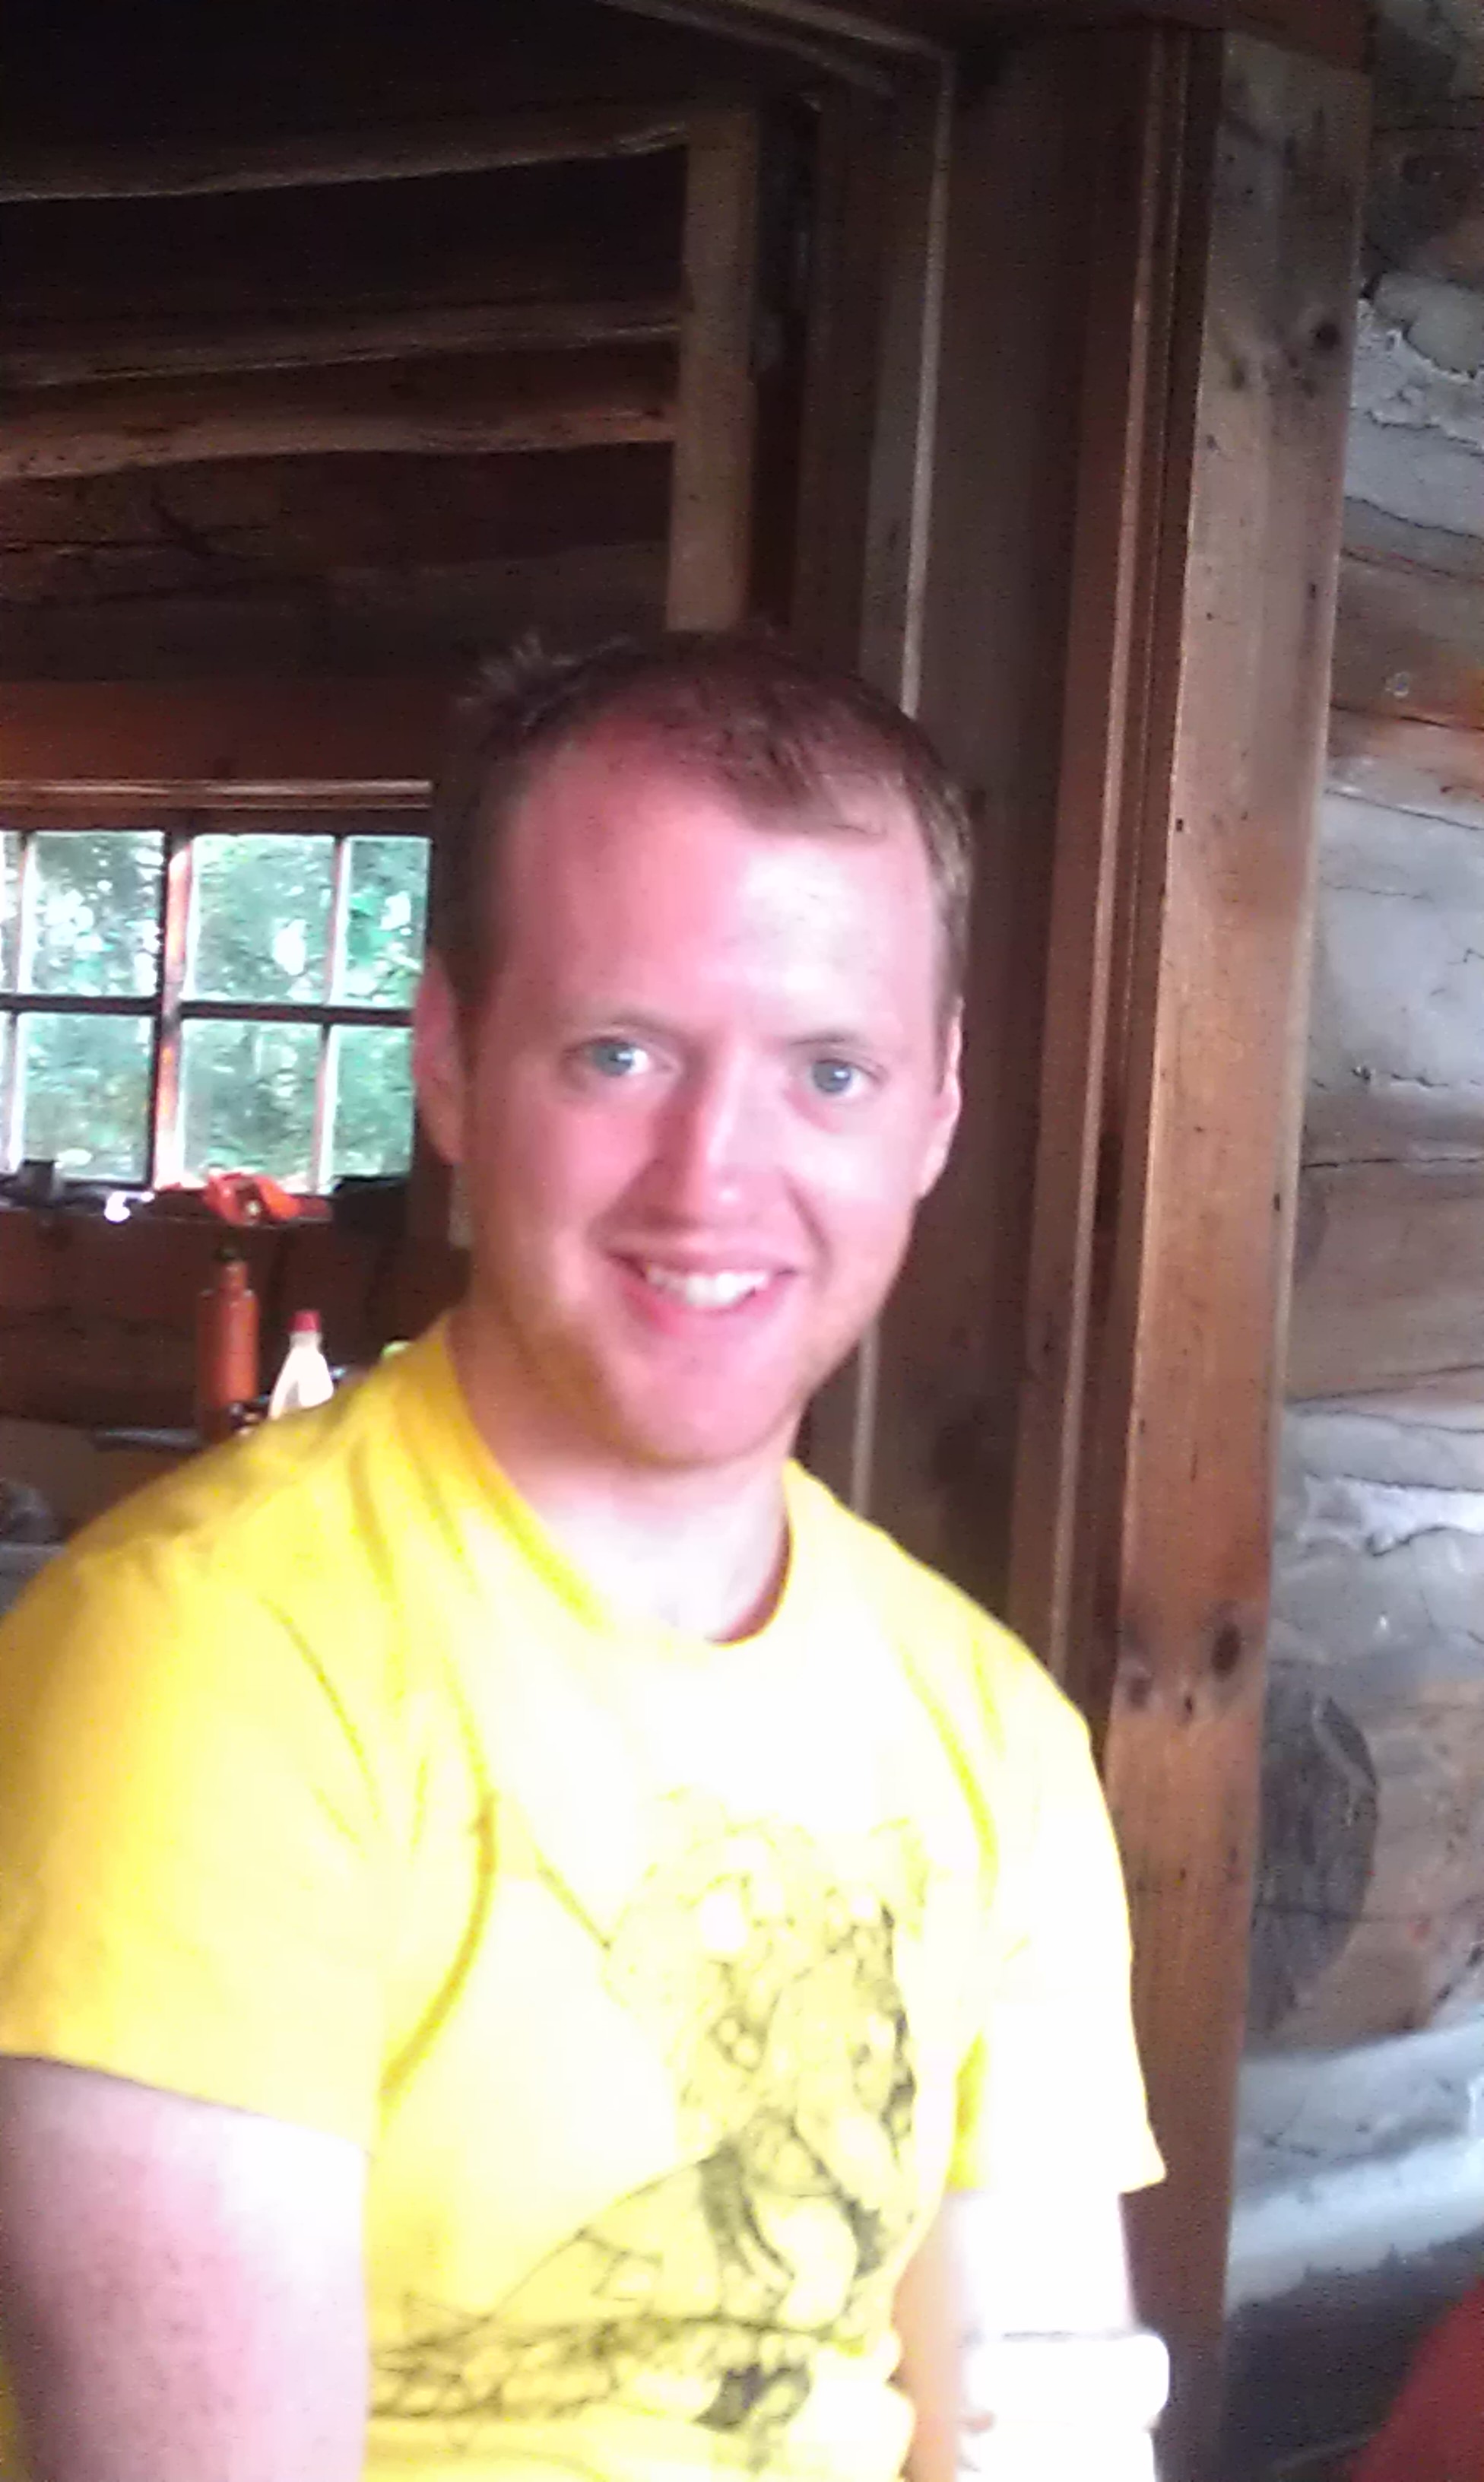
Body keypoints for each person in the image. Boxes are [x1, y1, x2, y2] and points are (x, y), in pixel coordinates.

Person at [0, 634, 1164, 2482]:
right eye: (619, 1054)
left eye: (830, 1072)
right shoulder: (207, 1662)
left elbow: (1047, 2423)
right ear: (452, 1067)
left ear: (936, 1108)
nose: (714, 1177)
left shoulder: (994, 1731)